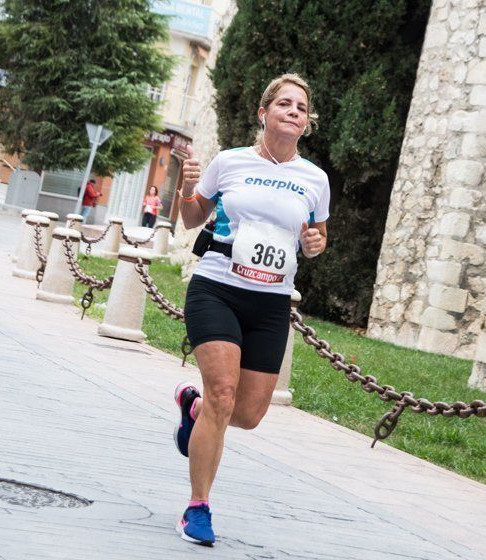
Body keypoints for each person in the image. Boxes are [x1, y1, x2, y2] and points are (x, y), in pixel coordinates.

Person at [172, 74, 329, 546]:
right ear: (264, 113)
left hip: (272, 302)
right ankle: (197, 508)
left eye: (301, 107)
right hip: (217, 287)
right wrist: (187, 186)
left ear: (306, 123)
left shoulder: (315, 180)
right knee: (223, 394)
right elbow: (191, 217)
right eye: (284, 103)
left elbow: (317, 241)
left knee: (247, 414)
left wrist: (315, 244)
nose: (293, 111)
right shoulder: (230, 162)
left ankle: (192, 409)